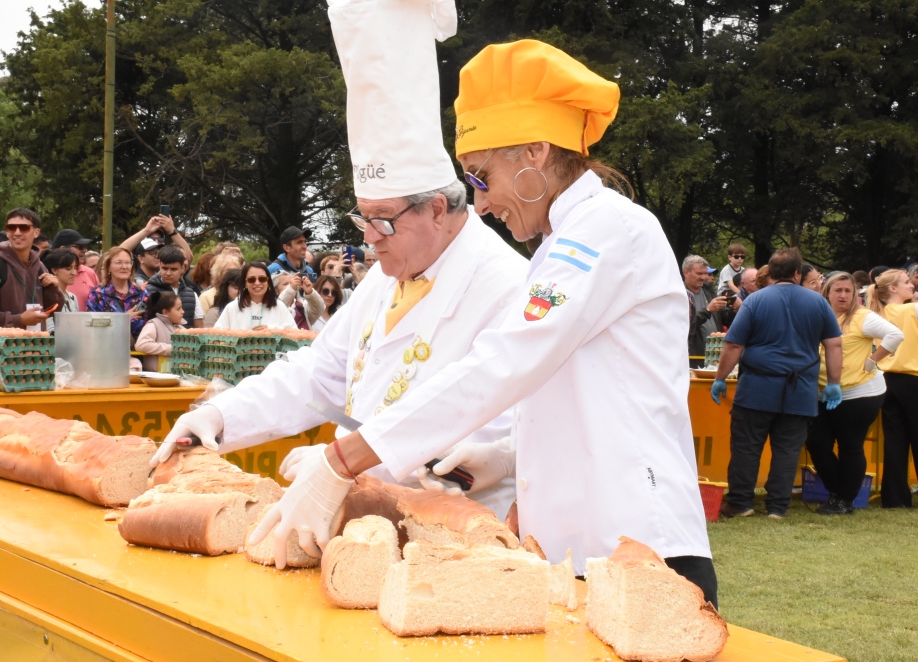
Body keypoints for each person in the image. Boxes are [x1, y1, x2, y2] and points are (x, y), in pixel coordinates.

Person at [203, 38, 721, 604]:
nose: (480, 203)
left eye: (480, 176)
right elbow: (566, 388)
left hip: (640, 545)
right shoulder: (560, 244)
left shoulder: (607, 230)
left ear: (536, 153)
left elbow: (505, 362)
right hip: (576, 548)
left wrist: (342, 459)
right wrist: (502, 456)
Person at [156, 1, 529, 543]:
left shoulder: (505, 284)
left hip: (455, 541)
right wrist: (220, 417)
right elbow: (317, 375)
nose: (368, 239)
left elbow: (484, 438)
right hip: (356, 526)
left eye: (384, 221)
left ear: (439, 209)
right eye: (363, 217)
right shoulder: (384, 280)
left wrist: (344, 466)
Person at [711, 248, 843, 520]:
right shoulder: (818, 303)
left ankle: (741, 503)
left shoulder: (755, 300)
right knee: (788, 450)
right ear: (797, 273)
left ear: (770, 271)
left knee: (747, 447)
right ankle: (778, 507)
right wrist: (834, 383)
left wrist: (720, 378)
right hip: (800, 389)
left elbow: (734, 344)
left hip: (756, 387)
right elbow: (834, 344)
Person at [806, 272, 903, 515]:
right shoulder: (818, 313)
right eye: (837, 290)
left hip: (860, 393)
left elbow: (895, 334)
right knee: (816, 443)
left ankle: (844, 500)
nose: (843, 295)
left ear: (854, 294)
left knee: (850, 445)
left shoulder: (862, 317)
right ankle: (838, 493)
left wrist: (873, 360)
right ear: (827, 292)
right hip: (821, 391)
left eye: (848, 291)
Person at [865, 269, 918, 508]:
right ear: (892, 289)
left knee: (895, 442)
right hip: (915, 381)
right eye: (906, 282)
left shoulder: (876, 313)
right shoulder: (915, 310)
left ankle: (894, 498)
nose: (912, 285)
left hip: (888, 380)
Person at [0, 208, 61, 329]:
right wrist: (19, 319)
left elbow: (52, 312)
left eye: (24, 228)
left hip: (36, 345)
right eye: (11, 228)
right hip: (0, 346)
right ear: (7, 232)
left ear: (36, 232)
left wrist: (53, 290)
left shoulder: (40, 267)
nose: (17, 232)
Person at [682, 255, 736, 368]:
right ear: (686, 272)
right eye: (699, 274)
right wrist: (708, 310)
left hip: (715, 356)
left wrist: (735, 308)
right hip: (693, 358)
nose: (703, 277)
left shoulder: (708, 291)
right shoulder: (680, 295)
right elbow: (684, 325)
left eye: (705, 273)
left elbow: (726, 319)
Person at [86, 246, 148, 340]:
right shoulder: (98, 294)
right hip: (107, 347)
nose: (124, 267)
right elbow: (92, 324)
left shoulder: (142, 294)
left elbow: (150, 324)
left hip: (140, 348)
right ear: (108, 267)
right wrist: (124, 319)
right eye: (118, 263)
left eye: (128, 262)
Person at [213, 261, 296, 330]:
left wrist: (273, 330)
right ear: (245, 283)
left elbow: (294, 333)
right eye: (251, 279)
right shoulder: (232, 308)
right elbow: (217, 335)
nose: (257, 283)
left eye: (262, 279)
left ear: (268, 282)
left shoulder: (279, 306)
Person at [144, 245, 202, 329]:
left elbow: (199, 327)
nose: (168, 273)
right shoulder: (147, 291)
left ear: (183, 268)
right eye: (164, 268)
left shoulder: (191, 294)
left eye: (173, 269)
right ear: (159, 265)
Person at [135, 291, 185, 371]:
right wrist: (171, 349)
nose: (182, 312)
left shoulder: (181, 328)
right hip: (155, 377)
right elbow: (141, 345)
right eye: (178, 309)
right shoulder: (153, 324)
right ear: (165, 312)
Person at [52, 228, 99, 312]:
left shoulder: (90, 273)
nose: (84, 250)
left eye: (84, 247)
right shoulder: (45, 274)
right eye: (79, 247)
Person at [41, 249, 81, 333]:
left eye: (75, 268)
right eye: (68, 268)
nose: (73, 272)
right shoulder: (48, 296)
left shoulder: (72, 297)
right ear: (54, 270)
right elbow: (49, 328)